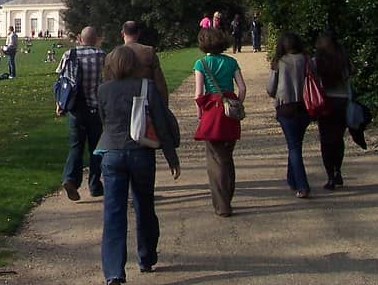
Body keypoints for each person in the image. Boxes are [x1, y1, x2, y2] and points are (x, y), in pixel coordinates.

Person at [95, 45, 180, 284]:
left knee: (113, 212)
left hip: (112, 152)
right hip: (140, 152)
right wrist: (172, 158)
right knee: (144, 206)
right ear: (134, 65)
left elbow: (105, 122)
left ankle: (114, 272)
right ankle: (146, 257)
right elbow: (161, 125)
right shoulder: (147, 87)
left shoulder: (103, 90)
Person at [194, 25, 246, 216]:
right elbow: (242, 88)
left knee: (215, 159)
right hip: (229, 111)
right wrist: (236, 104)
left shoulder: (201, 64)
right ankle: (228, 197)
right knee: (226, 156)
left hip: (212, 112)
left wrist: (200, 112)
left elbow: (199, 93)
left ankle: (222, 205)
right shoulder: (231, 62)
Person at [56, 26, 107, 200]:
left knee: (76, 146)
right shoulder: (103, 56)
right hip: (96, 108)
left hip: (76, 107)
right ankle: (94, 185)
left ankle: (70, 179)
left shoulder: (69, 55)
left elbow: (62, 81)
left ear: (79, 38)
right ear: (96, 39)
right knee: (96, 147)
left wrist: (60, 103)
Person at [267, 31, 312, 198]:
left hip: (286, 108)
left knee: (294, 147)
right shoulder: (307, 60)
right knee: (295, 145)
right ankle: (292, 179)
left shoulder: (279, 62)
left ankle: (302, 185)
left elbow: (271, 89)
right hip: (305, 107)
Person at [313, 31, 351, 190]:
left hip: (325, 101)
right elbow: (349, 78)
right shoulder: (344, 60)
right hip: (342, 100)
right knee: (338, 138)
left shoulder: (316, 62)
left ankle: (330, 175)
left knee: (326, 139)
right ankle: (337, 169)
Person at [103, 20, 169, 103]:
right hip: (144, 101)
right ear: (138, 33)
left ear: (122, 33)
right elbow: (159, 82)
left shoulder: (110, 56)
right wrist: (163, 105)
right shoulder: (148, 52)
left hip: (119, 102)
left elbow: (107, 84)